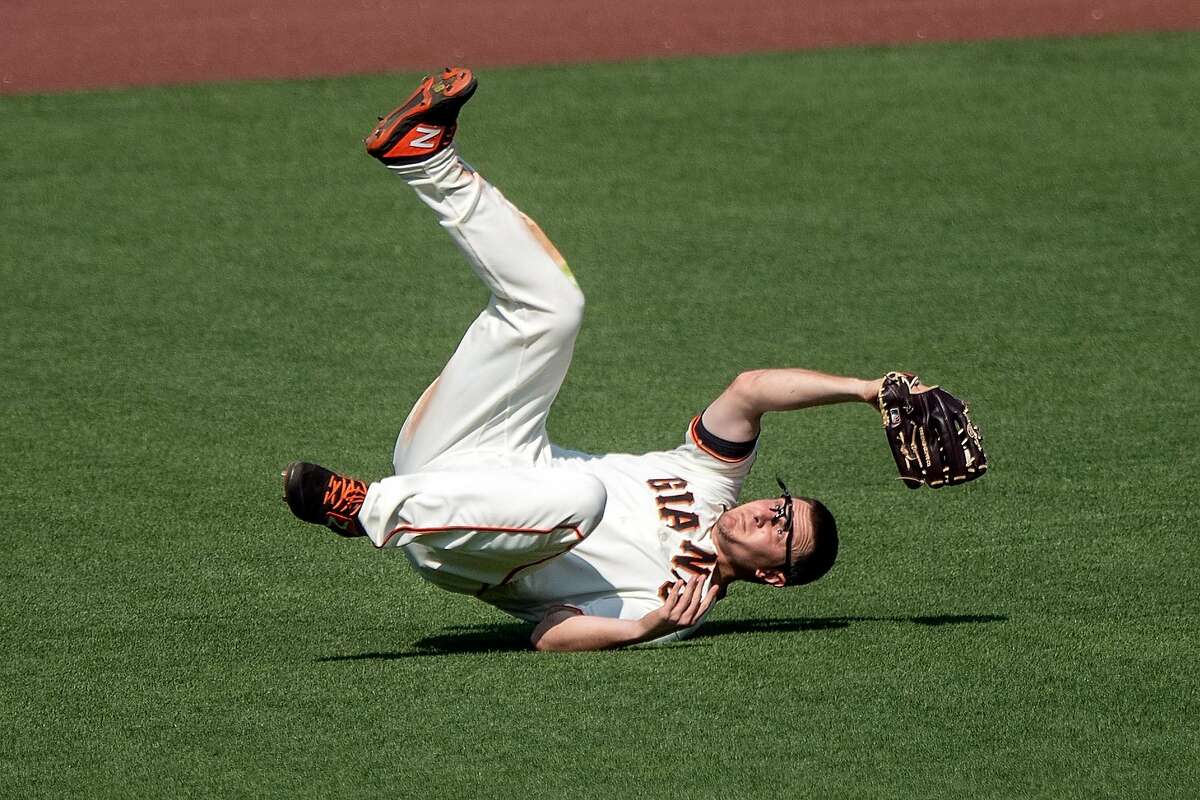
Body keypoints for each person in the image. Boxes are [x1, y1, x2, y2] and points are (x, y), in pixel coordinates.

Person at [283, 67, 886, 651]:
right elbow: (752, 390)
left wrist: (640, 629)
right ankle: (424, 156)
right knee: (553, 305)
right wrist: (866, 390)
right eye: (781, 505)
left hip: (458, 542)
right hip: (466, 454)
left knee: (582, 497)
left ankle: (365, 509)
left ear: (773, 577)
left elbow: (551, 634)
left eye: (783, 532)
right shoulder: (711, 484)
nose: (768, 516)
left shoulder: (678, 603)